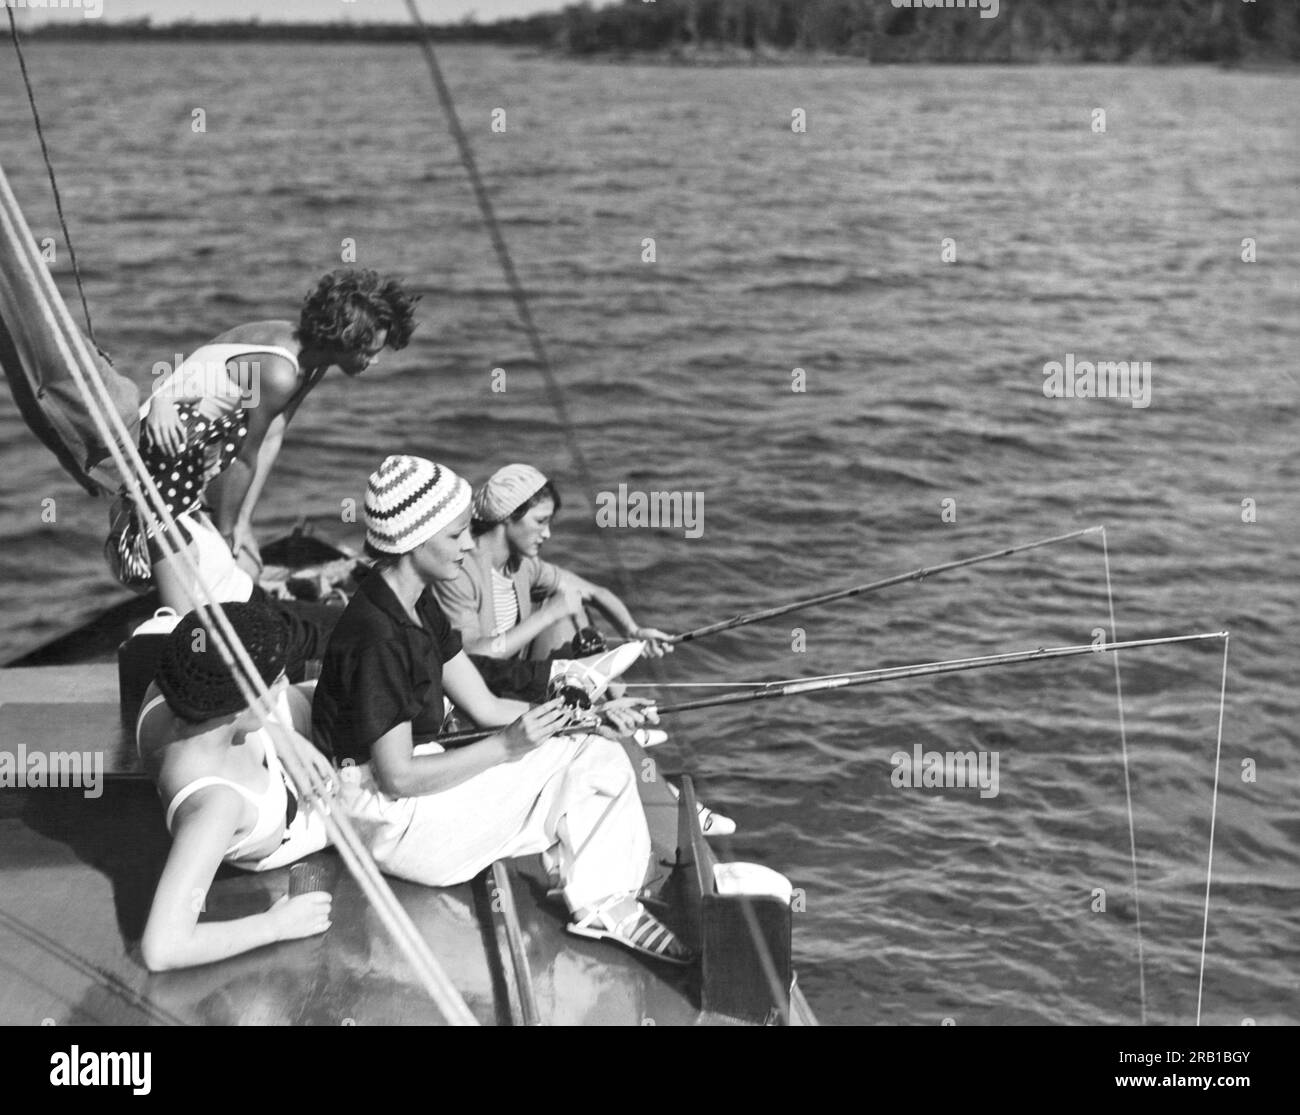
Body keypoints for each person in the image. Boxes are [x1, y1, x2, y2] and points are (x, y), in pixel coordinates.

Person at [312, 455, 692, 965]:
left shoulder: (415, 602)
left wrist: (589, 718)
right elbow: (398, 775)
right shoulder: (380, 634)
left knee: (587, 745)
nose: (469, 545)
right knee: (591, 763)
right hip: (385, 822)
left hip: (400, 799)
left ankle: (606, 886)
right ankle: (604, 902)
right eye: (455, 536)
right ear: (413, 540)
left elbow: (485, 702)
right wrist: (509, 746)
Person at [109, 268, 419, 604]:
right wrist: (227, 535)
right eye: (368, 352)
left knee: (247, 566)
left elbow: (272, 434)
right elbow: (243, 456)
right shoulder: (279, 373)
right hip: (162, 462)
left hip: (198, 451)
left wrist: (243, 520)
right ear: (343, 340)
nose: (373, 362)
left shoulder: (306, 353)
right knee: (240, 573)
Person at [135, 601, 336, 971]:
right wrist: (274, 926)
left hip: (268, 733)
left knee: (354, 680)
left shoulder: (172, 690)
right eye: (275, 681)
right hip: (301, 816)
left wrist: (281, 737)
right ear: (236, 703)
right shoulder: (216, 807)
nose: (285, 683)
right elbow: (162, 948)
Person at [433, 463, 673, 662]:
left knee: (573, 608)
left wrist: (632, 631)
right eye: (540, 521)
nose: (547, 534)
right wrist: (548, 614)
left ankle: (611, 702)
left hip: (510, 680)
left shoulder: (523, 565)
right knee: (559, 612)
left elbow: (594, 592)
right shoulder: (459, 571)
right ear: (508, 517)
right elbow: (472, 654)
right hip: (473, 701)